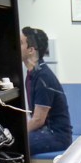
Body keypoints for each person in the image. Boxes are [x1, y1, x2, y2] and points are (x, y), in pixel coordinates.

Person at [21, 26, 72, 155]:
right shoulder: (33, 73)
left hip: (57, 136)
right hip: (46, 132)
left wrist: (17, 132)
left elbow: (38, 120)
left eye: (21, 43)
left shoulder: (43, 77)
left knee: (14, 143)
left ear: (31, 50)